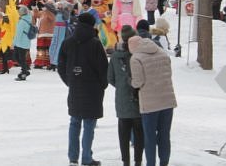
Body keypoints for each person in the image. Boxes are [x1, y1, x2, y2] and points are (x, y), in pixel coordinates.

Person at [58, 12, 109, 166]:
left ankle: (73, 158)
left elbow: (61, 65)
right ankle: (86, 158)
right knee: (88, 124)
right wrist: (102, 84)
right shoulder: (95, 43)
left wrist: (70, 81)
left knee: (74, 122)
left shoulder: (68, 42)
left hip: (75, 86)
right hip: (93, 89)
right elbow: (103, 68)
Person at [129, 35, 177, 166]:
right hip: (168, 101)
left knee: (150, 137)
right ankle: (164, 162)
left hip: (150, 105)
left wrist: (131, 82)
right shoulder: (162, 52)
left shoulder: (136, 58)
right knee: (164, 135)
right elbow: (168, 74)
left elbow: (138, 82)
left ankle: (151, 163)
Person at [108, 26, 144, 166]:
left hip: (122, 100)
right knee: (139, 132)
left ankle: (125, 161)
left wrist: (121, 86)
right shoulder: (138, 54)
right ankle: (138, 161)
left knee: (123, 134)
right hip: (138, 98)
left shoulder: (115, 56)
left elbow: (110, 78)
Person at [12, 5, 34, 81]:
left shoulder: (22, 21)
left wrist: (14, 43)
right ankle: (25, 70)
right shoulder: (28, 19)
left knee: (18, 58)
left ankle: (24, 72)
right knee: (21, 58)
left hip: (20, 43)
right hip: (26, 42)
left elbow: (18, 34)